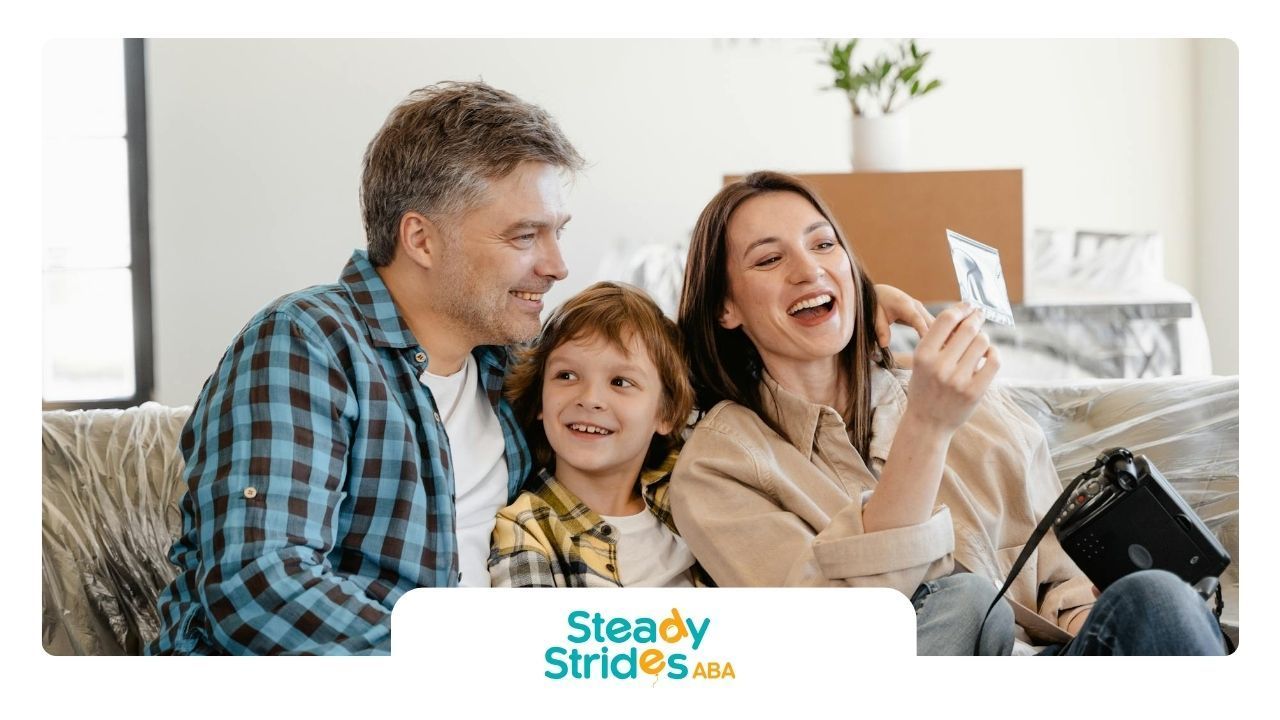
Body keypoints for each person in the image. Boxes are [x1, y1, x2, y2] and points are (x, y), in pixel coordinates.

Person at [146, 82, 929, 655]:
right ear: (421, 239)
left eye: (558, 232)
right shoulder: (309, 344)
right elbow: (257, 587)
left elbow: (652, 374)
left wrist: (849, 310)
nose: (557, 265)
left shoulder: (515, 363)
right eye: (526, 236)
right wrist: (484, 663)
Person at [670, 170, 1226, 656]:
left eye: (824, 246)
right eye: (769, 259)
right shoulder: (718, 468)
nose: (809, 271)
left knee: (1157, 598)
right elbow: (833, 640)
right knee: (965, 599)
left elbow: (1057, 573)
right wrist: (928, 428)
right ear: (725, 306)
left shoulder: (968, 400)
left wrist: (1085, 612)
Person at [488, 281, 711, 588]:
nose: (590, 398)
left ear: (667, 414)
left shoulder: (689, 485)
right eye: (566, 376)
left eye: (620, 382)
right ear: (539, 398)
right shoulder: (527, 528)